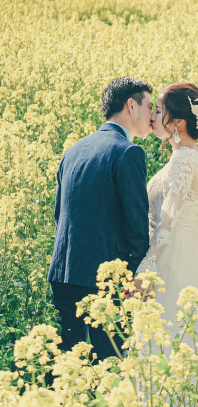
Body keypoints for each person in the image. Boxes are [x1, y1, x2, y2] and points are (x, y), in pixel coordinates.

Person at [47, 77, 152, 362]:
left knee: (69, 367)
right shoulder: (128, 151)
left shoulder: (73, 150)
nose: (152, 115)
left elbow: (59, 215)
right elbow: (137, 226)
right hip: (105, 282)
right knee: (110, 365)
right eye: (149, 106)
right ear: (131, 105)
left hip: (64, 275)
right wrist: (132, 278)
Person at [136, 83, 198, 347]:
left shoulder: (184, 159)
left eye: (158, 110)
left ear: (178, 122)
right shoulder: (193, 155)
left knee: (170, 335)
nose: (152, 117)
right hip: (189, 249)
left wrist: (148, 267)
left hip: (173, 256)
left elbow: (169, 218)